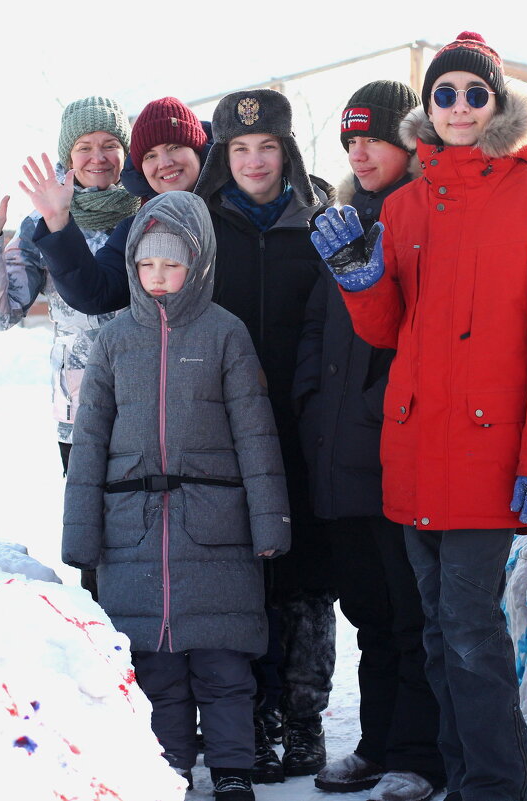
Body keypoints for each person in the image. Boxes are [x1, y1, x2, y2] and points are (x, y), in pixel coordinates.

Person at [311, 32, 527, 801]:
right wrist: (358, 278)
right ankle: (461, 774)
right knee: (437, 631)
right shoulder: (403, 205)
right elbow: (384, 327)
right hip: (413, 451)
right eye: (445, 94)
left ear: (497, 105)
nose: (460, 107)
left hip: (489, 456)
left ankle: (496, 786)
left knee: (470, 632)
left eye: (475, 93)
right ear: (428, 110)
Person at [62, 190, 290, 801]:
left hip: (216, 530)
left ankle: (234, 766)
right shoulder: (113, 343)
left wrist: (270, 523)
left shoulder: (225, 334)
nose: (158, 278)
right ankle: (170, 769)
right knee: (156, 669)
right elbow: (88, 446)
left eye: (173, 264)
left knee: (222, 665)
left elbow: (255, 434)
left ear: (201, 264)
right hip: (132, 532)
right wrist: (82, 532)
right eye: (146, 265)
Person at [294, 80, 444, 801]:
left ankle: (417, 750)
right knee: (370, 615)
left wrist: (375, 406)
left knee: (410, 611)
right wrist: (312, 404)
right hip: (338, 454)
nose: (361, 150)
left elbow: (424, 336)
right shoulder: (341, 217)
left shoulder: (420, 216)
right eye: (352, 139)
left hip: (396, 450)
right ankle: (379, 742)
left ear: (409, 141)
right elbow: (320, 327)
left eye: (375, 137)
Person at [192, 88, 338, 783]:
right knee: (242, 579)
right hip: (225, 435)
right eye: (240, 148)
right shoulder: (201, 225)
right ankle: (252, 719)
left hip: (305, 429)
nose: (254, 160)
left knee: (306, 581)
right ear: (224, 156)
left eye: (267, 146)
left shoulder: (322, 222)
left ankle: (305, 718)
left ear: (287, 151)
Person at [0, 95, 139, 598]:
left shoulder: (148, 208)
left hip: (154, 396)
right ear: (67, 155)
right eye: (84, 146)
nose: (97, 157)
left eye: (110, 144)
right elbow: (1, 313)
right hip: (81, 409)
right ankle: (105, 644)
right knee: (95, 537)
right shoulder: (42, 224)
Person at [25, 96, 212, 314]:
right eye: (150, 155)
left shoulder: (237, 206)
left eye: (174, 147)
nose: (164, 163)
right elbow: (95, 294)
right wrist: (58, 220)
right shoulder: (139, 227)